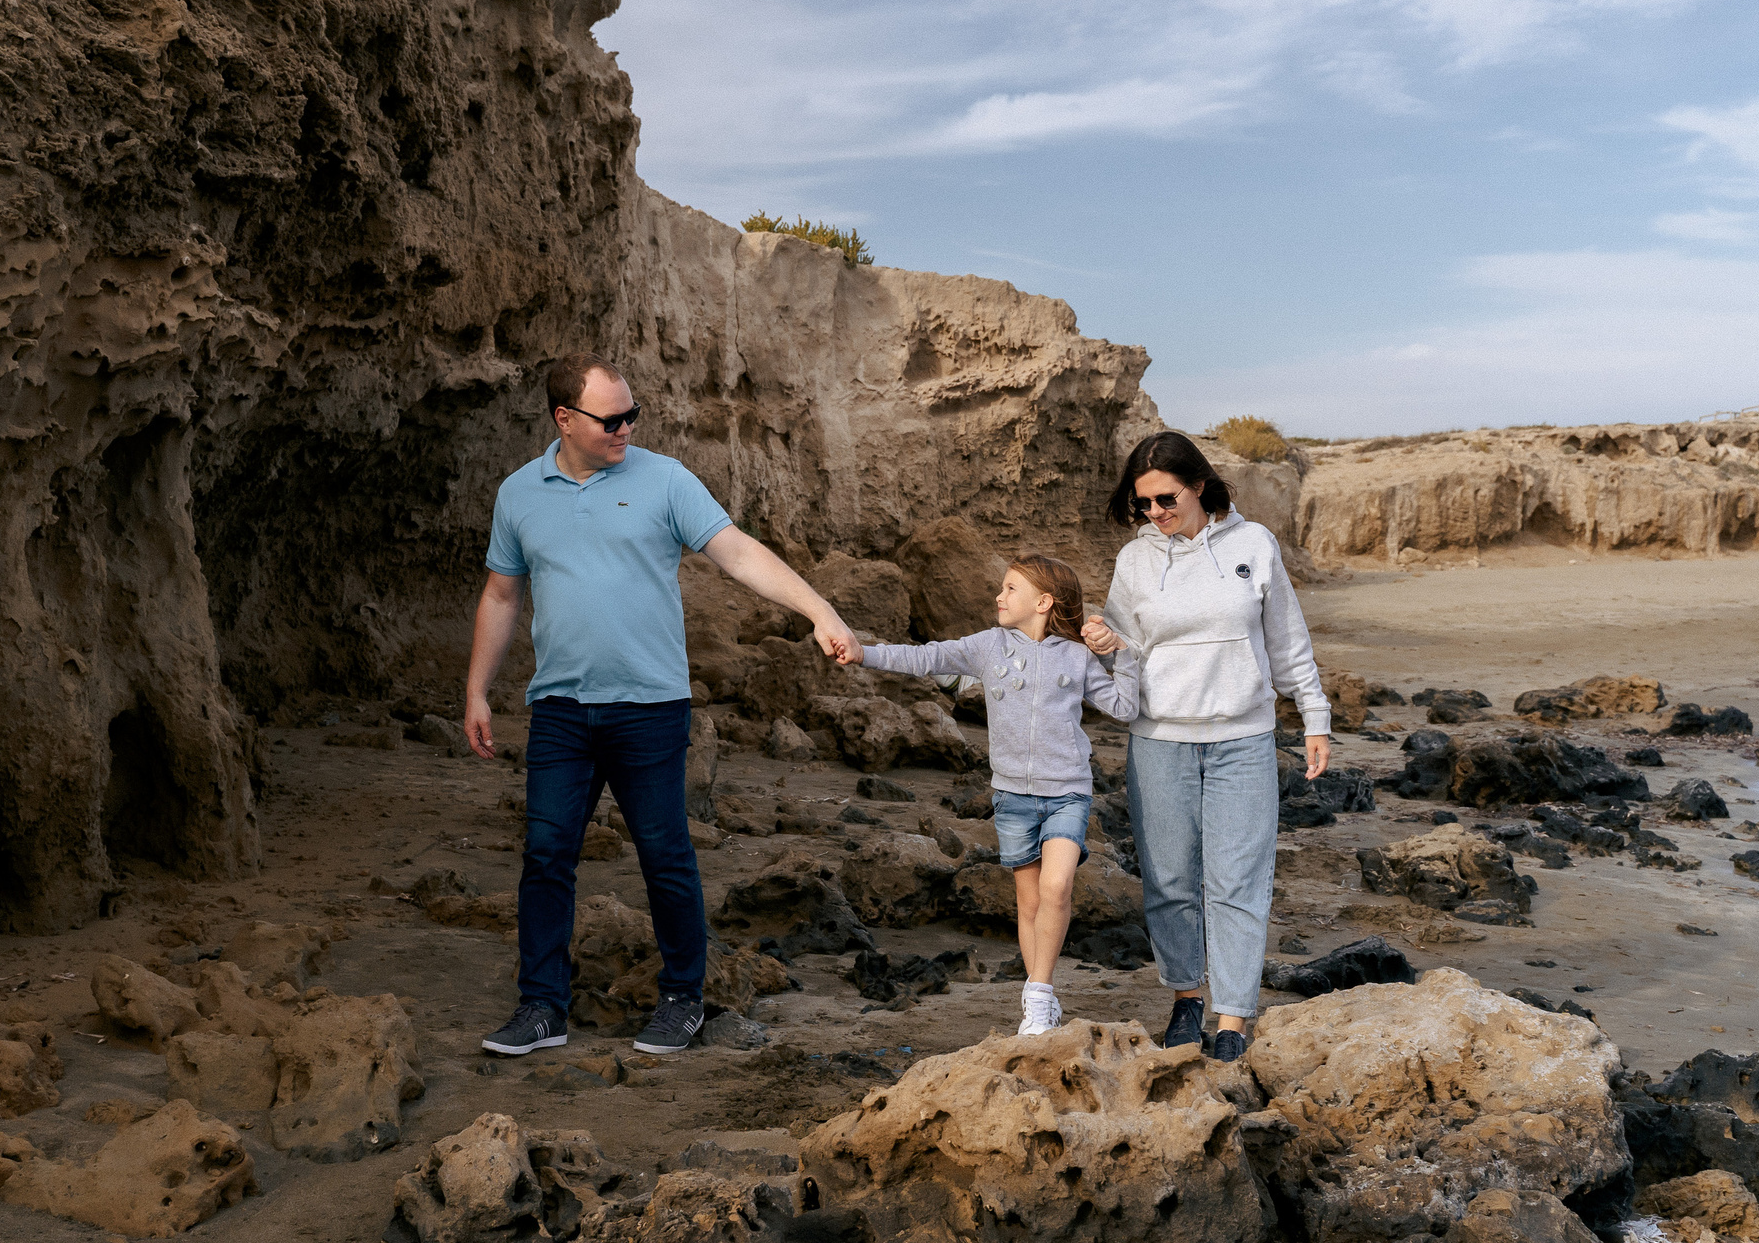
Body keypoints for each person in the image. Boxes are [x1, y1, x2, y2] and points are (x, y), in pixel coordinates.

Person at [465, 353, 857, 1058]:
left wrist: (817, 608)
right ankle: (541, 1006)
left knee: (665, 854)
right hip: (560, 708)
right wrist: (476, 690)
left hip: (650, 706)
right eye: (610, 419)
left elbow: (736, 552)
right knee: (547, 853)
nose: (626, 428)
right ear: (564, 418)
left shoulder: (665, 479)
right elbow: (501, 594)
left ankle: (683, 999)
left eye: (632, 414)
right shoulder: (519, 493)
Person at [1082, 431, 1329, 1065]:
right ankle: (1187, 997)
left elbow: (1287, 642)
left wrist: (1315, 719)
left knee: (1238, 881)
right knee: (1167, 881)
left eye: (1165, 499)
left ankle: (1234, 1016)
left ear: (1197, 485)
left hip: (1243, 738)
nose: (1155, 514)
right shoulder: (1135, 560)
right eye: (1142, 505)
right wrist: (1102, 644)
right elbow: (1123, 653)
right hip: (1158, 739)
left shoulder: (1253, 545)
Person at [840, 554, 1135, 1034]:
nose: (999, 596)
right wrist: (864, 652)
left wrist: (1120, 653)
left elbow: (1123, 706)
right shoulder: (986, 647)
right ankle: (1040, 997)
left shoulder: (1078, 655)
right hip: (1012, 798)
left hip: (1068, 794)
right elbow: (926, 658)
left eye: (1011, 588)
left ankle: (1037, 997)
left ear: (1043, 601)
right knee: (1028, 903)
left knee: (1057, 888)